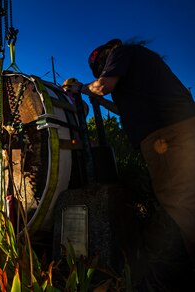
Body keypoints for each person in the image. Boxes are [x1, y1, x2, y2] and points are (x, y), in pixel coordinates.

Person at [71, 38, 195, 288]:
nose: (99, 70)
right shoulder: (140, 64)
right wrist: (95, 96)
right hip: (179, 130)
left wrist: (79, 88)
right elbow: (119, 107)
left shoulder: (121, 53)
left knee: (183, 206)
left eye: (98, 64)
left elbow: (103, 86)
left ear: (108, 51)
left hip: (167, 136)